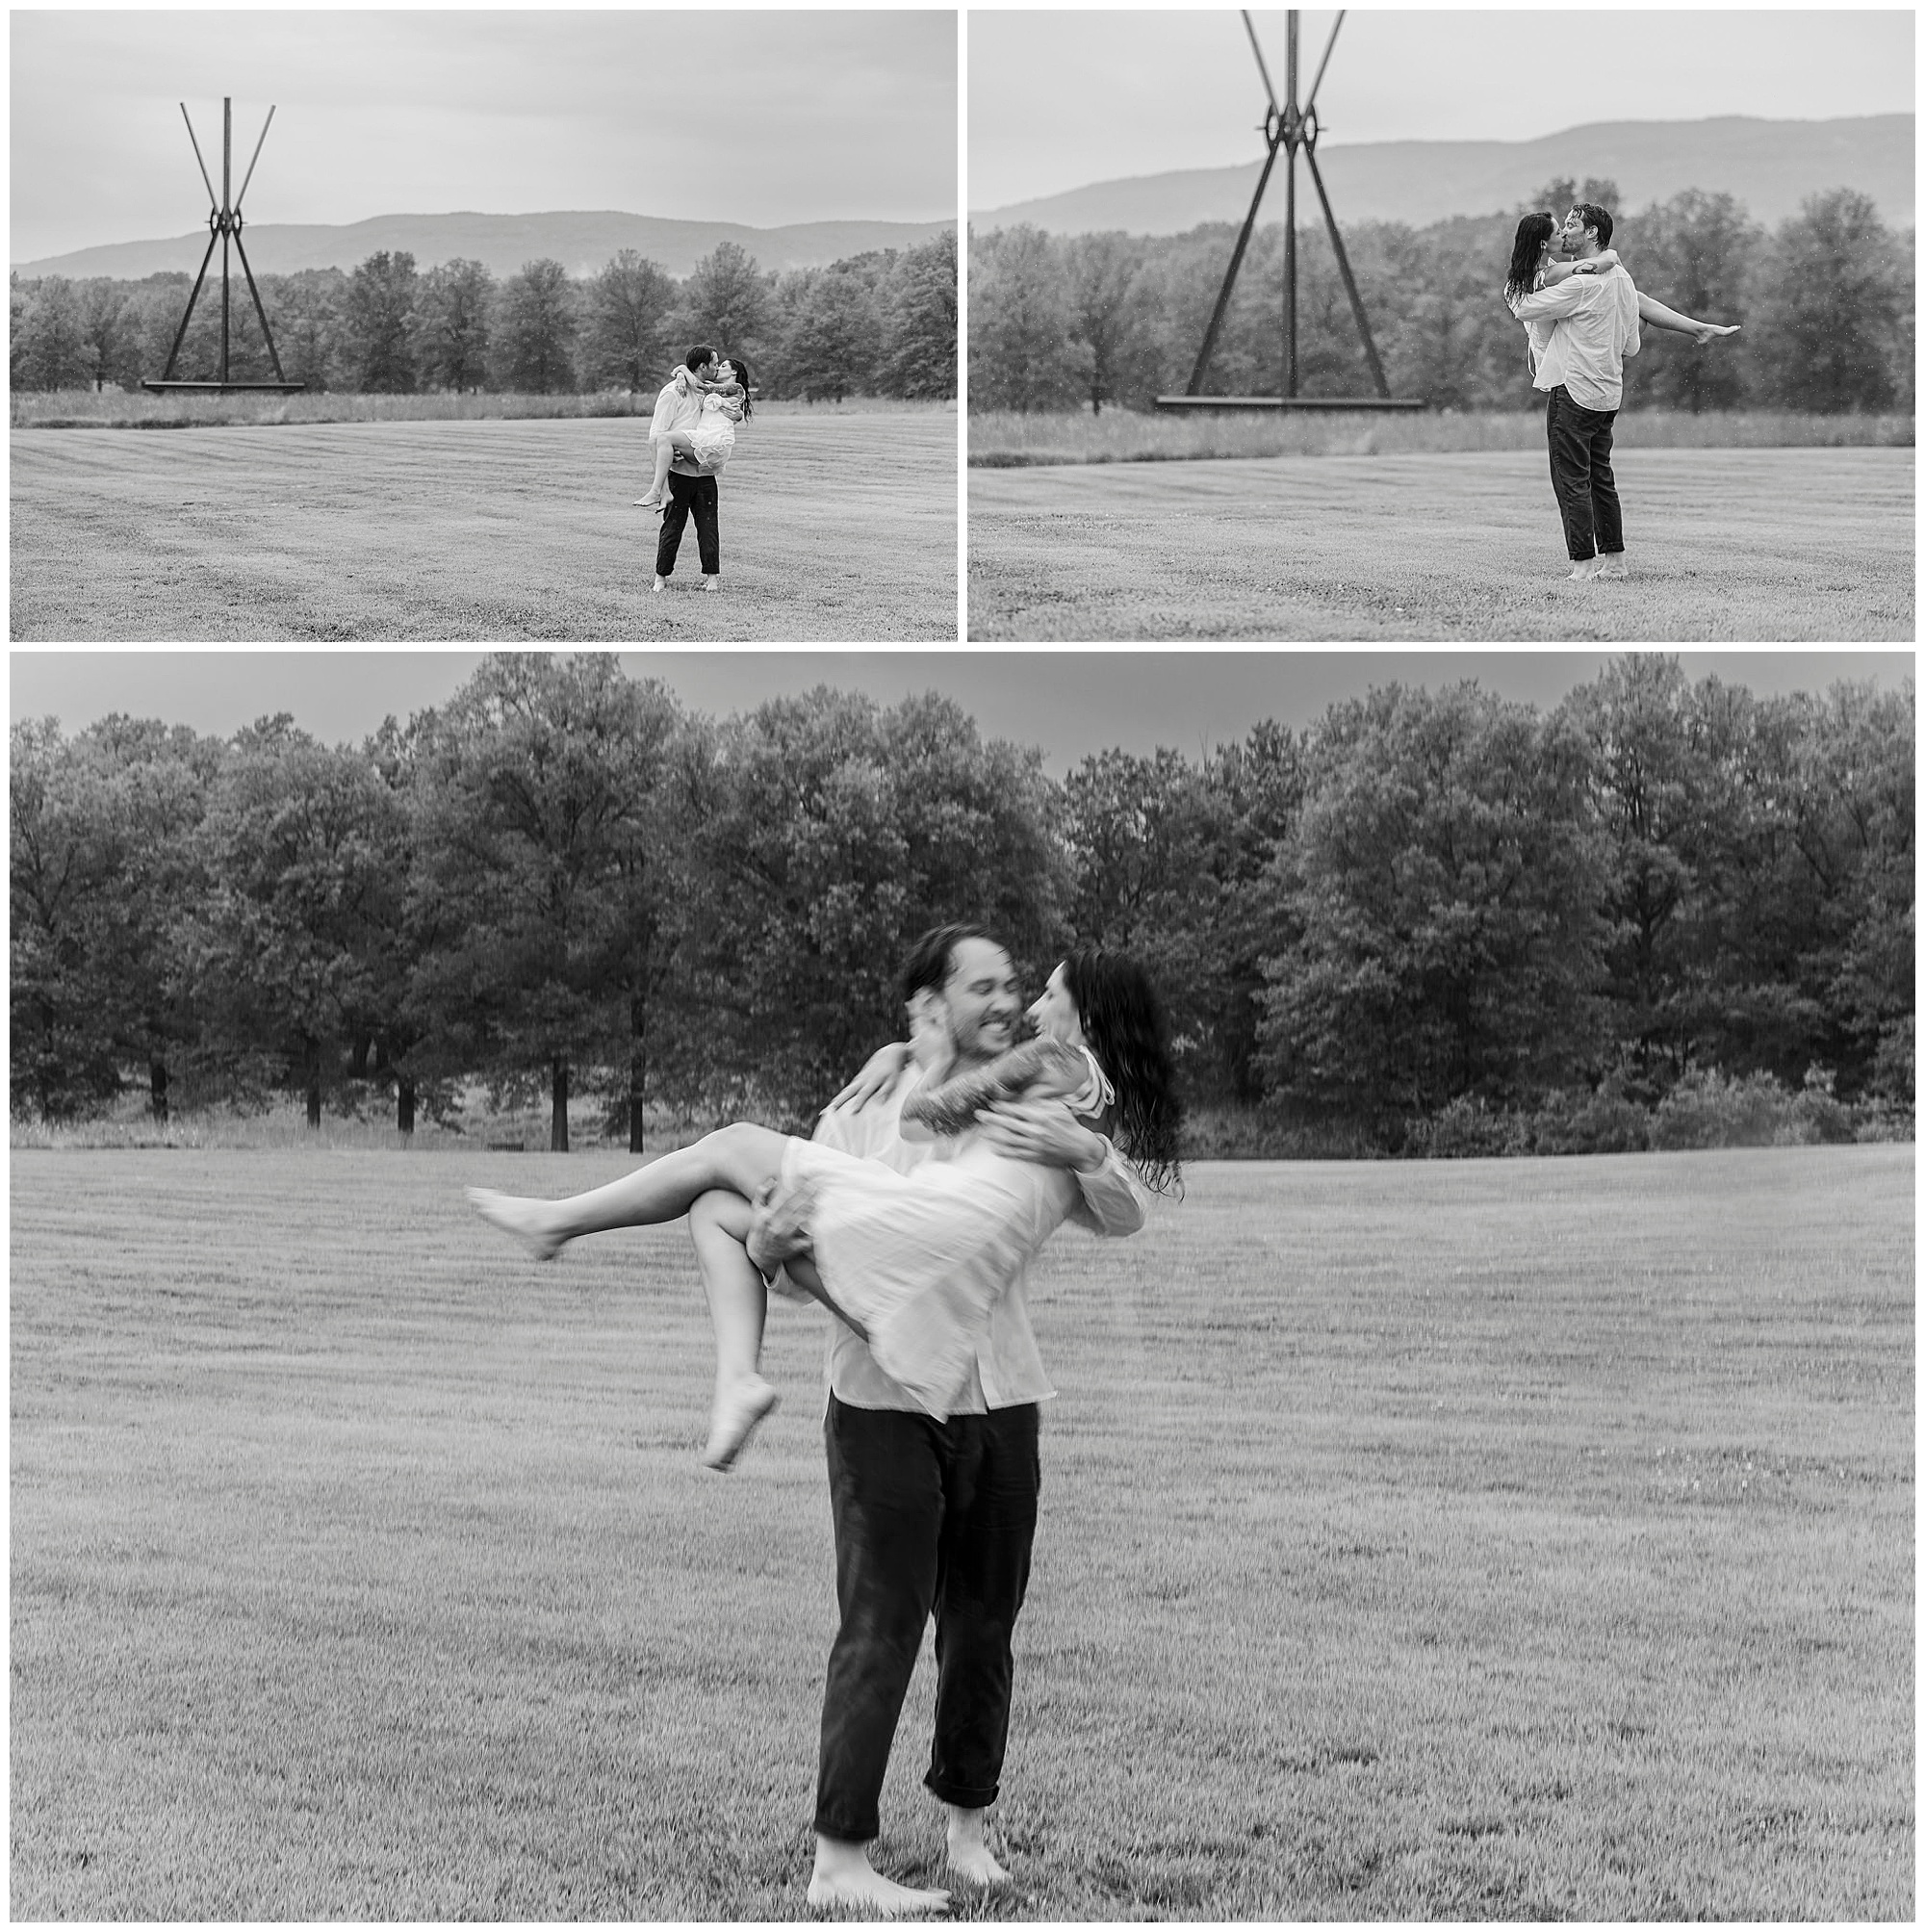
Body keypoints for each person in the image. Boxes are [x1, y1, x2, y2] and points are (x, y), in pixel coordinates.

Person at [777, 927, 1174, 1914]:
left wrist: (1088, 1149)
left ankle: (965, 1832)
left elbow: (1123, 1213)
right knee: (879, 1627)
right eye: (984, 989)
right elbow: (790, 1265)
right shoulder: (861, 1111)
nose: (1007, 1006)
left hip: (1001, 1403)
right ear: (927, 1003)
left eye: (1017, 990)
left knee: (984, 1625)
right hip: (883, 1404)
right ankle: (839, 1859)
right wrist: (831, 1284)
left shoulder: (1021, 1100)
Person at [466, 934, 1178, 1478]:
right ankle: (737, 1379)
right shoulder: (1087, 1096)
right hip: (916, 1291)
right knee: (714, 1205)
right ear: (933, 1004)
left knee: (729, 1145)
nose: (1027, 1007)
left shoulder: (1050, 1068)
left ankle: (556, 1223)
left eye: (1045, 995)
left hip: (934, 1249)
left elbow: (925, 1117)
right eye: (992, 989)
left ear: (1083, 1011)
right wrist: (906, 1054)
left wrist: (912, 1059)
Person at [1504, 203, 1740, 581]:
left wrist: (1524, 279)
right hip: (1607, 393)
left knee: (1571, 480)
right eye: (1562, 226)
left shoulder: (1580, 284)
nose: (1565, 231)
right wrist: (1696, 326)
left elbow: (1523, 307)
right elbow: (1632, 339)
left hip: (1573, 389)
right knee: (1601, 479)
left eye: (1572, 225)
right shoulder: (1619, 277)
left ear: (1592, 233)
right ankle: (1614, 562)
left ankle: (1582, 567)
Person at [638, 344, 726, 595]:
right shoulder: (672, 393)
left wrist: (681, 371)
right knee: (673, 527)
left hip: (705, 472)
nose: (717, 368)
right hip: (681, 473)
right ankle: (660, 579)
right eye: (714, 364)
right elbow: (655, 437)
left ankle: (712, 580)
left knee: (709, 526)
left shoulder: (708, 392)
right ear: (702, 367)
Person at [634, 356, 752, 513]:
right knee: (655, 442)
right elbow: (698, 384)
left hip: (714, 442)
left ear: (734, 371)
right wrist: (681, 376)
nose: (717, 368)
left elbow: (698, 386)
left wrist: (682, 368)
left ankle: (657, 491)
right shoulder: (715, 387)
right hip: (704, 440)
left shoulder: (736, 389)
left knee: (663, 438)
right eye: (716, 364)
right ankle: (664, 492)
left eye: (722, 365)